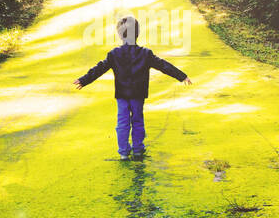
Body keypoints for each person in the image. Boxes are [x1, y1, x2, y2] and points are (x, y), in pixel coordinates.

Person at [73, 15, 192, 160]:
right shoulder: (145, 54)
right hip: (138, 94)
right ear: (137, 33)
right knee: (137, 121)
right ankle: (137, 149)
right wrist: (182, 76)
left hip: (122, 94)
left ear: (119, 35)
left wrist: (83, 80)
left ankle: (123, 151)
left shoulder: (114, 54)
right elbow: (164, 66)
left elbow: (99, 69)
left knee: (122, 122)